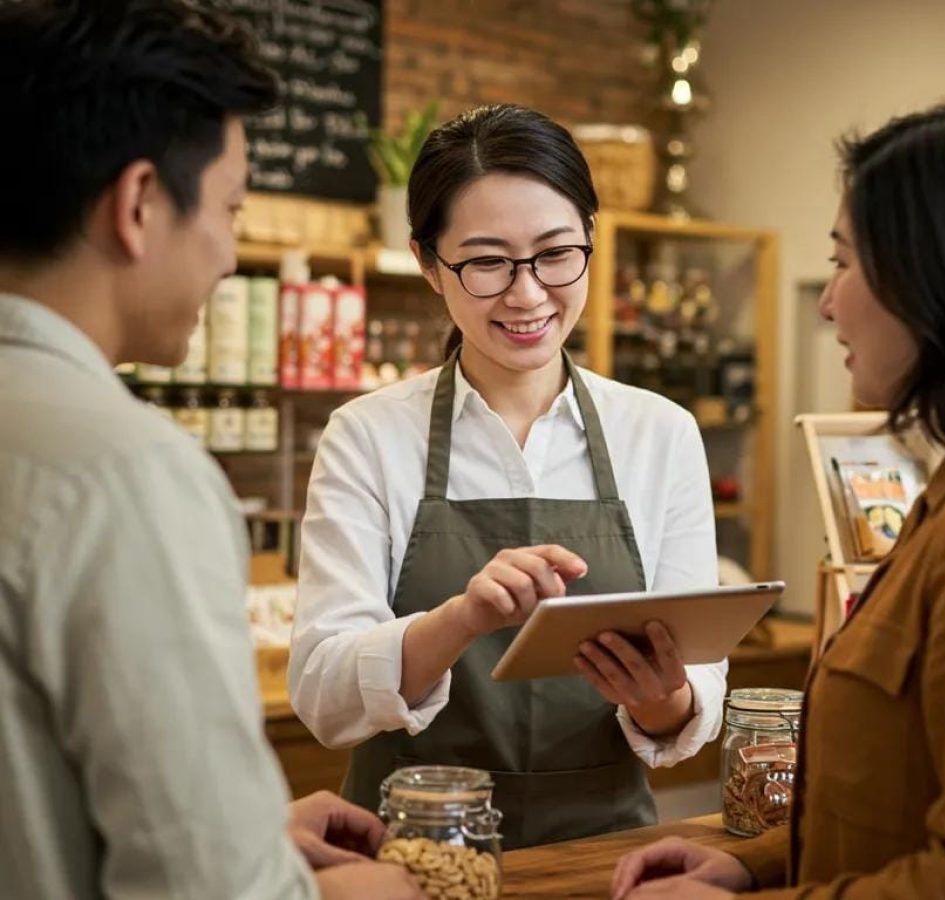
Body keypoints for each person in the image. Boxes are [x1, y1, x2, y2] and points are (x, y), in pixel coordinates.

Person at [610, 101, 945, 898]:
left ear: (944, 277)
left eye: (843, 262)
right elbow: (908, 800)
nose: (828, 302)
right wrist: (754, 865)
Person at [0, 2, 421, 897]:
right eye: (230, 207)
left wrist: (257, 830)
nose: (230, 255)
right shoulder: (129, 472)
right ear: (141, 203)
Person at [289, 103, 726, 849]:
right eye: (487, 261)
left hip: (599, 854)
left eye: (556, 254)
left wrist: (664, 698)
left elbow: (695, 701)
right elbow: (324, 696)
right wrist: (461, 619)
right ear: (430, 264)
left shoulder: (660, 433)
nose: (527, 295)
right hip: (411, 854)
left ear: (592, 238)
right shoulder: (367, 435)